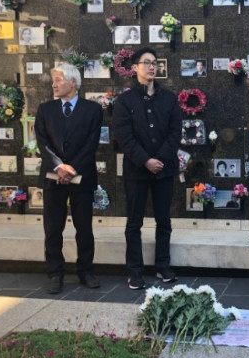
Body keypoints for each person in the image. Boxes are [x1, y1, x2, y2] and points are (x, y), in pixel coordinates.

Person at [112, 48, 182, 290]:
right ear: (135, 68)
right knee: (134, 223)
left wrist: (159, 159)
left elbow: (175, 133)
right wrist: (145, 160)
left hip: (164, 169)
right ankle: (134, 271)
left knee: (164, 221)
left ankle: (163, 266)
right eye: (147, 62)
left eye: (155, 63)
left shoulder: (169, 98)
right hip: (136, 171)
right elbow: (124, 136)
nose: (152, 67)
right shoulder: (125, 101)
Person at [35, 62, 103, 295]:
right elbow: (43, 143)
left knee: (84, 228)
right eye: (53, 80)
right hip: (53, 176)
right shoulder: (45, 109)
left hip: (82, 177)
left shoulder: (93, 110)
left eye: (58, 80)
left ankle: (86, 271)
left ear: (73, 82)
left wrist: (71, 169)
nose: (53, 84)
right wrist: (59, 166)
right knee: (53, 228)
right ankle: (55, 273)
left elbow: (91, 144)